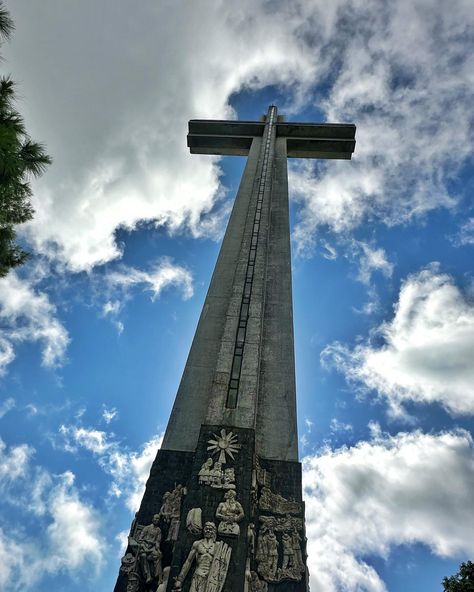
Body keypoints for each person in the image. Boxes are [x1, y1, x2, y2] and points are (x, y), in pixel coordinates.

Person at [173, 522, 217, 592]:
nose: (208, 531)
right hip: (197, 575)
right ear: (203, 530)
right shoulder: (197, 544)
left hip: (209, 579)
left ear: (214, 531)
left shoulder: (217, 546)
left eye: (210, 529)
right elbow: (188, 562)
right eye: (206, 529)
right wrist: (180, 580)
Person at [138, 514, 163, 584]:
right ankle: (148, 575)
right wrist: (144, 547)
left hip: (152, 548)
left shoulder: (158, 530)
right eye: (156, 518)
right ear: (153, 519)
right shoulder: (147, 528)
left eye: (158, 519)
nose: (157, 520)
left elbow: (157, 542)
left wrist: (158, 550)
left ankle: (159, 576)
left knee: (158, 555)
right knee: (143, 556)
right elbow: (140, 539)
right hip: (144, 547)